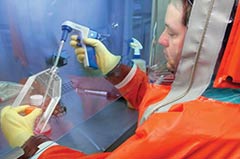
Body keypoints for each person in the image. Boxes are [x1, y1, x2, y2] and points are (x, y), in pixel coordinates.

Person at [1, 0, 240, 158]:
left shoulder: (195, 129)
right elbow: (169, 103)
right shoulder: (222, 93)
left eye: (173, 33)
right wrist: (116, 69)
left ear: (207, 46)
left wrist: (33, 144)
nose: (161, 40)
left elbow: (174, 121)